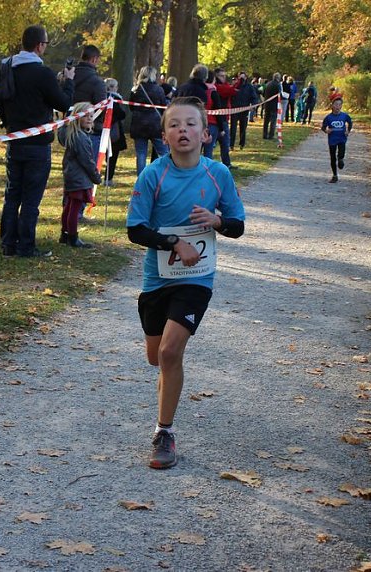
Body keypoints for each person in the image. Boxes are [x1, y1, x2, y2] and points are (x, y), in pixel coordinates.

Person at [126, 96, 246, 469]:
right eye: (175, 124)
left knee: (169, 353)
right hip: (157, 278)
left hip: (197, 278)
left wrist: (217, 222)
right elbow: (135, 230)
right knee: (155, 357)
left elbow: (238, 225)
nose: (183, 130)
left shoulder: (218, 174)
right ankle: (167, 397)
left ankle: (164, 433)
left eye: (191, 124)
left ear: (205, 134)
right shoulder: (152, 174)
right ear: (163, 136)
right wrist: (173, 242)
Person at [0, 25, 74, 258]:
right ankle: (26, 245)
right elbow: (63, 103)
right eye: (46, 43)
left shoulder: (6, 68)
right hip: (38, 144)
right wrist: (68, 81)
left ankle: (8, 243)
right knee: (31, 197)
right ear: (40, 45)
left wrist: (9, 124)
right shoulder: (42, 73)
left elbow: (1, 103)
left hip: (15, 139)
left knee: (12, 193)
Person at [57, 102, 102, 248]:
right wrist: (96, 176)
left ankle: (65, 234)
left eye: (91, 116)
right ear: (77, 117)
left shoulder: (71, 134)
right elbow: (87, 161)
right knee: (74, 208)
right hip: (78, 178)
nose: (89, 119)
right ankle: (72, 237)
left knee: (69, 206)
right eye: (85, 116)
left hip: (71, 176)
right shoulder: (80, 138)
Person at [129, 65, 168, 175]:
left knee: (141, 154)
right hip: (155, 125)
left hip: (138, 125)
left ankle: (141, 177)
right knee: (164, 152)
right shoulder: (158, 89)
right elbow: (163, 106)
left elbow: (131, 107)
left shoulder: (135, 89)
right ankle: (167, 173)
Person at [72, 44, 106, 163]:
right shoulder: (97, 82)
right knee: (89, 164)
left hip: (71, 127)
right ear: (94, 59)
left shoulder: (70, 77)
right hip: (90, 129)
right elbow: (102, 108)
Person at [203, 70, 232, 169]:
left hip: (201, 122)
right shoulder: (213, 92)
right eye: (221, 76)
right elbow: (217, 111)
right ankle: (207, 168)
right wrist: (221, 128)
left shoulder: (201, 90)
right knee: (208, 148)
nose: (223, 78)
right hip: (212, 122)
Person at [320, 96, 352, 183]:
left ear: (341, 106)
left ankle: (341, 159)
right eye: (336, 104)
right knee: (333, 157)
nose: (338, 106)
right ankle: (335, 175)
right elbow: (323, 127)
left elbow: (350, 122)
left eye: (339, 105)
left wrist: (348, 131)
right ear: (332, 106)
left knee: (341, 154)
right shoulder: (328, 117)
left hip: (342, 138)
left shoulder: (344, 116)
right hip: (332, 139)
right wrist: (326, 131)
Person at [104, 77, 127, 186]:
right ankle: (108, 179)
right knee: (112, 156)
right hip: (113, 131)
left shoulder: (101, 97)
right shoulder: (113, 99)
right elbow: (121, 114)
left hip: (102, 130)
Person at [230, 71, 258, 150]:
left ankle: (242, 144)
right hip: (234, 109)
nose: (242, 79)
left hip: (244, 109)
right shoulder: (235, 85)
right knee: (233, 128)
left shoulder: (249, 87)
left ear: (246, 78)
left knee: (243, 128)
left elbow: (254, 97)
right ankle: (231, 144)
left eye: (243, 77)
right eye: (240, 77)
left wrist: (253, 105)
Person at [262, 72, 281, 139]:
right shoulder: (278, 85)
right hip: (274, 105)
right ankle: (271, 135)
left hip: (267, 104)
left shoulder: (268, 84)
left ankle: (264, 135)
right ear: (278, 78)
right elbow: (279, 95)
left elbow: (263, 93)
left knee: (266, 121)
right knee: (273, 121)